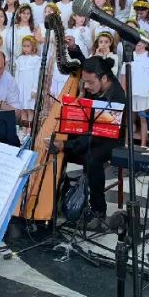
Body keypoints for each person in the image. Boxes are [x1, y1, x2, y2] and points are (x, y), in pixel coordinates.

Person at [52, 56, 126, 231]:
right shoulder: (97, 83)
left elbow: (98, 136)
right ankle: (62, 191)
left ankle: (98, 210)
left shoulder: (116, 97)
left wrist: (67, 145)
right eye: (85, 82)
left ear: (104, 79)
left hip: (110, 138)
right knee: (62, 138)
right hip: (92, 133)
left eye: (90, 83)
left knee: (92, 157)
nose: (86, 86)